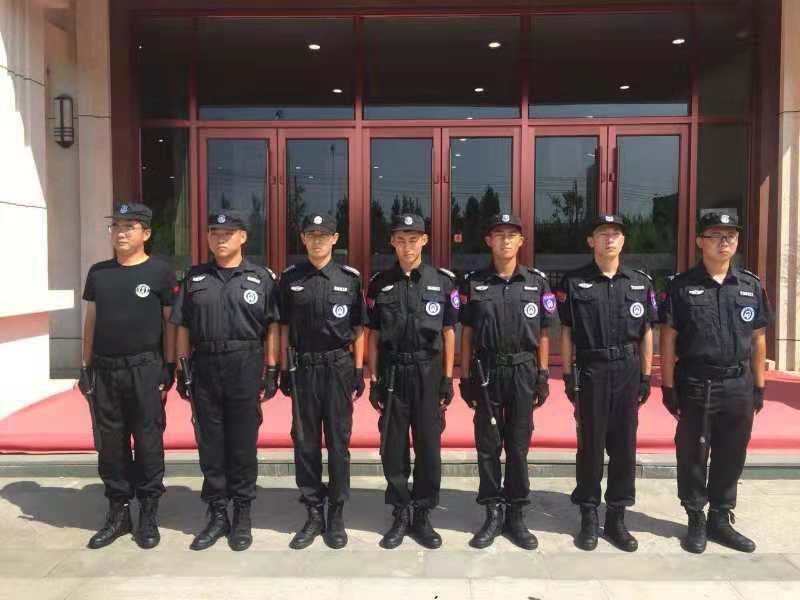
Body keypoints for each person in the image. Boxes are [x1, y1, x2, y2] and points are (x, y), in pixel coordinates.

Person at [659, 212, 771, 554]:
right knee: (693, 453)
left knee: (732, 452)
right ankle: (695, 516)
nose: (725, 242)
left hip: (738, 383)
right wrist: (667, 387)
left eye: (731, 236)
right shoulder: (681, 286)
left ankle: (720, 518)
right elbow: (668, 339)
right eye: (716, 235)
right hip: (697, 382)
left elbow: (759, 338)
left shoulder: (750, 285)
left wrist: (759, 385)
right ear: (699, 242)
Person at [171, 209, 280, 551]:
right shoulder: (195, 278)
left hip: (245, 364)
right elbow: (182, 325)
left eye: (228, 233)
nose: (220, 239)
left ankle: (242, 513)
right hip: (205, 366)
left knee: (243, 444)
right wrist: (182, 369)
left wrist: (272, 369)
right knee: (211, 443)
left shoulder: (261, 278)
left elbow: (272, 327)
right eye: (214, 233)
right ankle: (218, 514)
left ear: (243, 237)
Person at [78, 202, 176, 550]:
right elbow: (91, 321)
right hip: (105, 370)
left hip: (144, 368)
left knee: (148, 439)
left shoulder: (160, 271)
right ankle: (118, 512)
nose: (120, 233)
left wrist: (170, 365)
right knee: (110, 443)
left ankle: (148, 511)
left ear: (146, 233)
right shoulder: (98, 273)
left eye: (129, 226)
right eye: (116, 226)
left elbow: (169, 323)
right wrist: (85, 366)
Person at [558, 214, 656, 552]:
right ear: (591, 241)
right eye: (603, 234)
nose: (610, 239)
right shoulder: (575, 282)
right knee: (590, 446)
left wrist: (646, 376)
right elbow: (567, 332)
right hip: (591, 370)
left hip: (627, 369)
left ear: (623, 241)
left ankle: (616, 517)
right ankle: (588, 514)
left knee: (624, 447)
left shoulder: (640, 283)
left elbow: (647, 333)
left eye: (616, 234)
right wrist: (567, 375)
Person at [459, 213, 554, 550]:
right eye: (498, 235)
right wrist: (465, 376)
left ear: (521, 241)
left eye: (511, 235)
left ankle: (516, 514)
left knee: (518, 445)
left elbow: (544, 332)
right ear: (489, 241)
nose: (505, 241)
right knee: (488, 445)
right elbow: (466, 332)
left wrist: (543, 374)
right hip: (487, 371)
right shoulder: (474, 282)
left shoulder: (536, 283)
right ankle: (492, 512)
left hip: (523, 370)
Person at [365, 213, 458, 549]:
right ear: (393, 242)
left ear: (424, 241)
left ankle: (422, 513)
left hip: (428, 371)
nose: (407, 246)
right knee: (393, 447)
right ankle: (401, 511)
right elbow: (373, 334)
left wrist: (447, 378)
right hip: (393, 371)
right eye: (401, 240)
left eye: (414, 239)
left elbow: (449, 333)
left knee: (429, 446)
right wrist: (374, 377)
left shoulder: (442, 281)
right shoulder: (379, 283)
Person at [278, 213, 366, 550]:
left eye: (323, 235)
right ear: (303, 239)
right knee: (305, 442)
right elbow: (283, 326)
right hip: (303, 367)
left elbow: (359, 328)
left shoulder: (349, 279)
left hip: (338, 366)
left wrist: (358, 369)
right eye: (311, 235)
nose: (317, 241)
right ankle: (313, 511)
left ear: (334, 239)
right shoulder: (290, 279)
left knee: (338, 442)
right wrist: (283, 367)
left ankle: (337, 512)